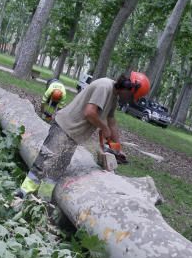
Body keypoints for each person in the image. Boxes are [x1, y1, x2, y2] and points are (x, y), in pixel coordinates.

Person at [17, 72, 150, 202]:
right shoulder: (104, 87)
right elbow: (90, 112)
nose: (129, 100)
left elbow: (112, 121)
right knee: (45, 161)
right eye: (131, 96)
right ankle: (23, 192)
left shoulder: (114, 96)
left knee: (57, 168)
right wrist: (104, 128)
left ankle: (42, 200)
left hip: (74, 135)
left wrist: (117, 147)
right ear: (129, 88)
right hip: (64, 127)